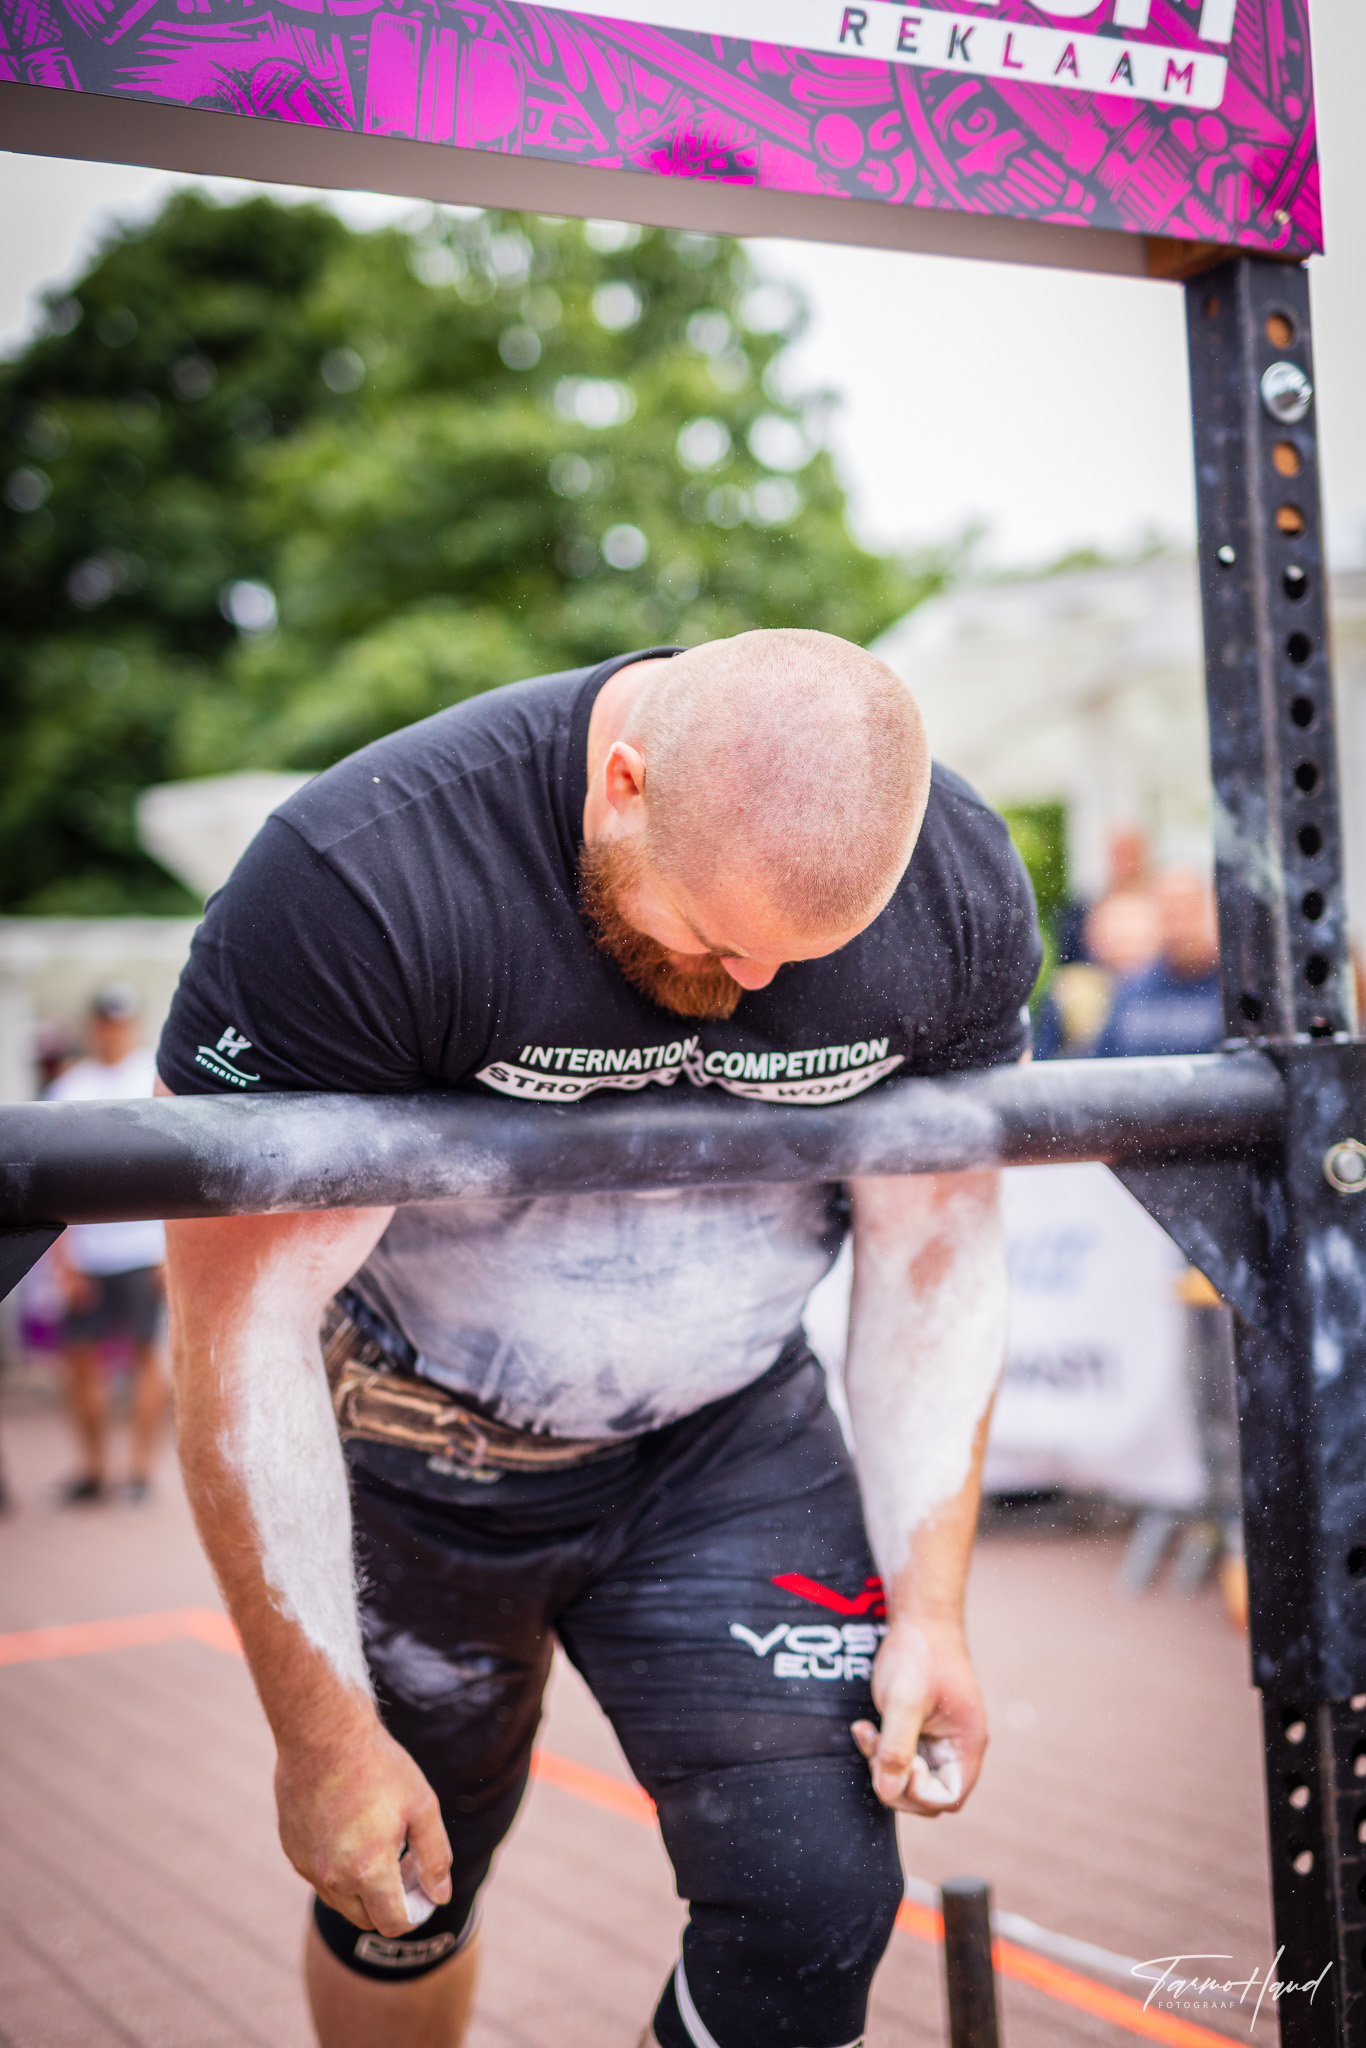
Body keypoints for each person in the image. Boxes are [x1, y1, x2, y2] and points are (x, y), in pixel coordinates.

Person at [156, 630, 1041, 2048]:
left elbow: (935, 1250)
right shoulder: (358, 878)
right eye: (711, 935)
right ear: (621, 783)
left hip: (725, 1444)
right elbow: (237, 1321)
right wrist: (317, 1735)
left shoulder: (956, 882)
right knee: (401, 1896)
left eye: (801, 957)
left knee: (813, 1901)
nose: (752, 981)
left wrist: (931, 1608)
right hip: (418, 1455)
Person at [46, 981, 168, 1504]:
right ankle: (94, 1470)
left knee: (146, 1358)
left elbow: (176, 1173)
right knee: (79, 1362)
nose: (111, 1030)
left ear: (131, 1025)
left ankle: (138, 1473)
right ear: (95, 1025)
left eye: (119, 1021)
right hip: (90, 1252)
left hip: (144, 1249)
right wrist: (62, 1261)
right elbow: (49, 1182)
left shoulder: (154, 1077)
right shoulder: (70, 1086)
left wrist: (173, 1252)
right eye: (104, 1020)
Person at [1091, 869, 1220, 1059]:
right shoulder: (1133, 990)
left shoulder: (1229, 989)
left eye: (1187, 906)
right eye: (1169, 910)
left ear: (1209, 909)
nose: (1179, 921)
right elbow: (1103, 1060)